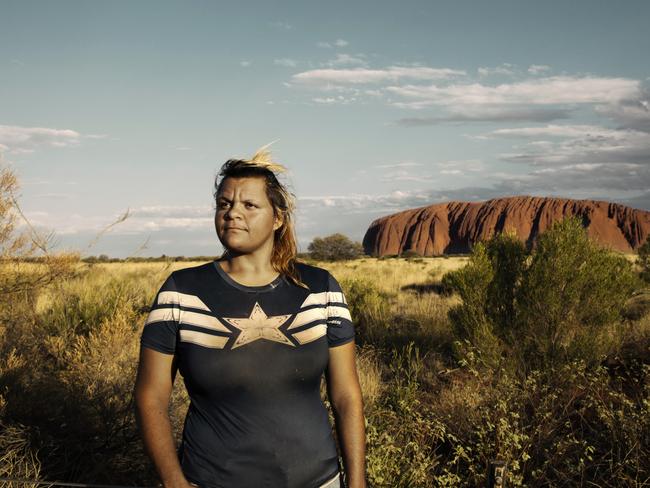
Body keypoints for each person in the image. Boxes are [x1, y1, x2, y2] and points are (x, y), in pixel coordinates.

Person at [133, 147, 367, 488]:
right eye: (224, 204)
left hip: (318, 481)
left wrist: (357, 482)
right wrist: (174, 481)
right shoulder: (181, 292)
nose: (232, 214)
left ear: (278, 218)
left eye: (249, 205)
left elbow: (346, 394)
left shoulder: (321, 290)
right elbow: (149, 395)